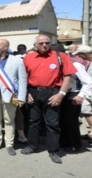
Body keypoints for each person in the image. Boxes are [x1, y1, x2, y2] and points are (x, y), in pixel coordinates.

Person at [21, 34, 76, 164]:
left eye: (47, 42)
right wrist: (27, 93)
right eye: (41, 43)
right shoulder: (28, 58)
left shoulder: (61, 56)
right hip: (33, 92)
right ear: (35, 45)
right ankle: (31, 146)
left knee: (53, 124)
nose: (44, 45)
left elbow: (68, 77)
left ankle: (54, 151)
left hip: (53, 93)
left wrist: (61, 94)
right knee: (33, 122)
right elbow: (23, 78)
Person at [57, 44, 92, 153]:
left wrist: (81, 95)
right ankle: (64, 142)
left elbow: (88, 82)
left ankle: (75, 144)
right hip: (61, 94)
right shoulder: (56, 64)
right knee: (62, 120)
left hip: (73, 94)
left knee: (71, 121)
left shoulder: (75, 65)